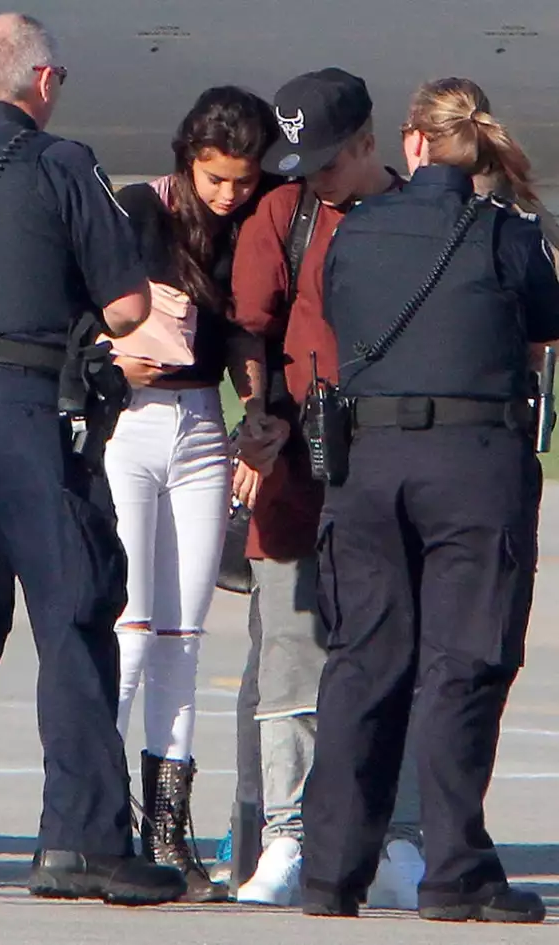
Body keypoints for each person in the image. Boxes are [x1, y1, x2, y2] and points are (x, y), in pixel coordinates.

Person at [301, 76, 559, 923]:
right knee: (464, 663)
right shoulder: (505, 235)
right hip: (473, 462)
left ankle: (331, 870)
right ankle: (455, 871)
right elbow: (539, 326)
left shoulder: (356, 232)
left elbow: (343, 320)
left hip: (368, 464)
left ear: (413, 142)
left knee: (361, 664)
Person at [0, 13, 187, 906]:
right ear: (43, 83)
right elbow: (129, 307)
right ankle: (83, 838)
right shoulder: (59, 163)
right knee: (75, 612)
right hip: (26, 408)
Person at [221, 68, 424, 908]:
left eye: (327, 162)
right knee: (291, 659)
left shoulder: (421, 219)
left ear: (370, 142)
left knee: (400, 658)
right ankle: (286, 839)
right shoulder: (284, 213)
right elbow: (249, 326)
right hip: (300, 466)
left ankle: (399, 838)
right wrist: (260, 408)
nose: (311, 177)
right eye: (298, 161)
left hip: (392, 465)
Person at [105, 86, 286, 902]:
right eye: (215, 179)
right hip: (132, 422)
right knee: (132, 626)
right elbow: (84, 302)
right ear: (189, 159)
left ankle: (167, 826)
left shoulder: (251, 224)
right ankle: (94, 811)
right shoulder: (137, 207)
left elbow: (249, 328)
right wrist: (116, 353)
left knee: (182, 630)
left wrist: (257, 413)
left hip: (201, 421)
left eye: (241, 181)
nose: (228, 195)